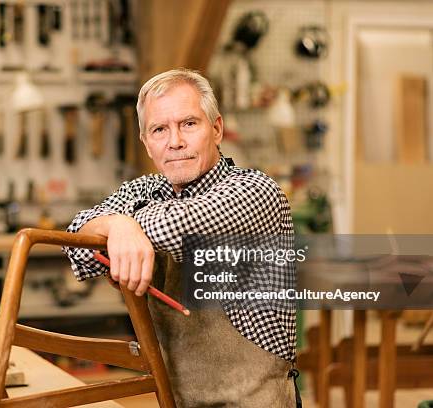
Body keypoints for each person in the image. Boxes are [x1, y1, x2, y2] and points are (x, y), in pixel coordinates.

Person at [63, 68, 299, 407]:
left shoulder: (255, 191)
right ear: (146, 142)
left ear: (216, 129)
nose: (175, 141)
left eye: (188, 124)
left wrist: (120, 224)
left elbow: (183, 225)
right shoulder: (142, 190)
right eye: (160, 129)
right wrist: (115, 226)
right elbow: (76, 246)